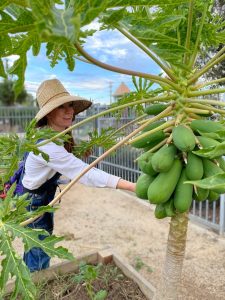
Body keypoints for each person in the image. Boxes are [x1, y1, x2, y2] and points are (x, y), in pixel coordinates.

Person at [21, 78, 136, 272]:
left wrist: (78, 155)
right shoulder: (47, 145)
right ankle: (35, 288)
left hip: (37, 197)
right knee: (39, 254)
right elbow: (85, 174)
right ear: (48, 113)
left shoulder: (54, 135)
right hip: (33, 202)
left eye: (70, 105)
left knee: (36, 247)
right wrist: (133, 187)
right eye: (61, 107)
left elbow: (59, 168)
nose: (69, 111)